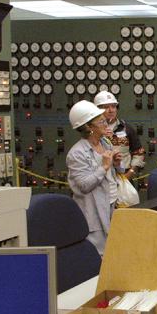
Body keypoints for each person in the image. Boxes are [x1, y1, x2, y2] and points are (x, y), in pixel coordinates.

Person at [66, 100, 121, 256]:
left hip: (111, 204)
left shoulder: (105, 143)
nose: (106, 123)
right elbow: (84, 185)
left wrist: (116, 163)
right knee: (100, 256)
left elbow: (113, 174)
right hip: (94, 213)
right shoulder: (77, 153)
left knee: (114, 252)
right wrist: (103, 167)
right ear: (89, 127)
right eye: (101, 121)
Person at [94, 90, 145, 180]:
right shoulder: (93, 131)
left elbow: (139, 153)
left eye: (113, 106)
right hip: (101, 177)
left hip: (124, 176)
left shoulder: (127, 128)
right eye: (106, 107)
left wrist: (130, 173)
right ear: (97, 109)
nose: (111, 110)